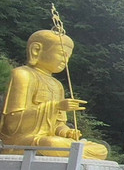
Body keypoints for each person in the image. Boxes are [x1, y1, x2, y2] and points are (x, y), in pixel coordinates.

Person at [0, 30, 108, 160]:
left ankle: (76, 152)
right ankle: (75, 152)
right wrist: (55, 106)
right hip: (22, 140)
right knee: (53, 144)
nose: (65, 61)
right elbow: (12, 123)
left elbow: (58, 124)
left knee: (101, 150)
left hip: (49, 139)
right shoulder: (23, 75)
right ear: (36, 50)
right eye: (61, 55)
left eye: (68, 57)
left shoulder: (57, 85)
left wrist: (66, 132)